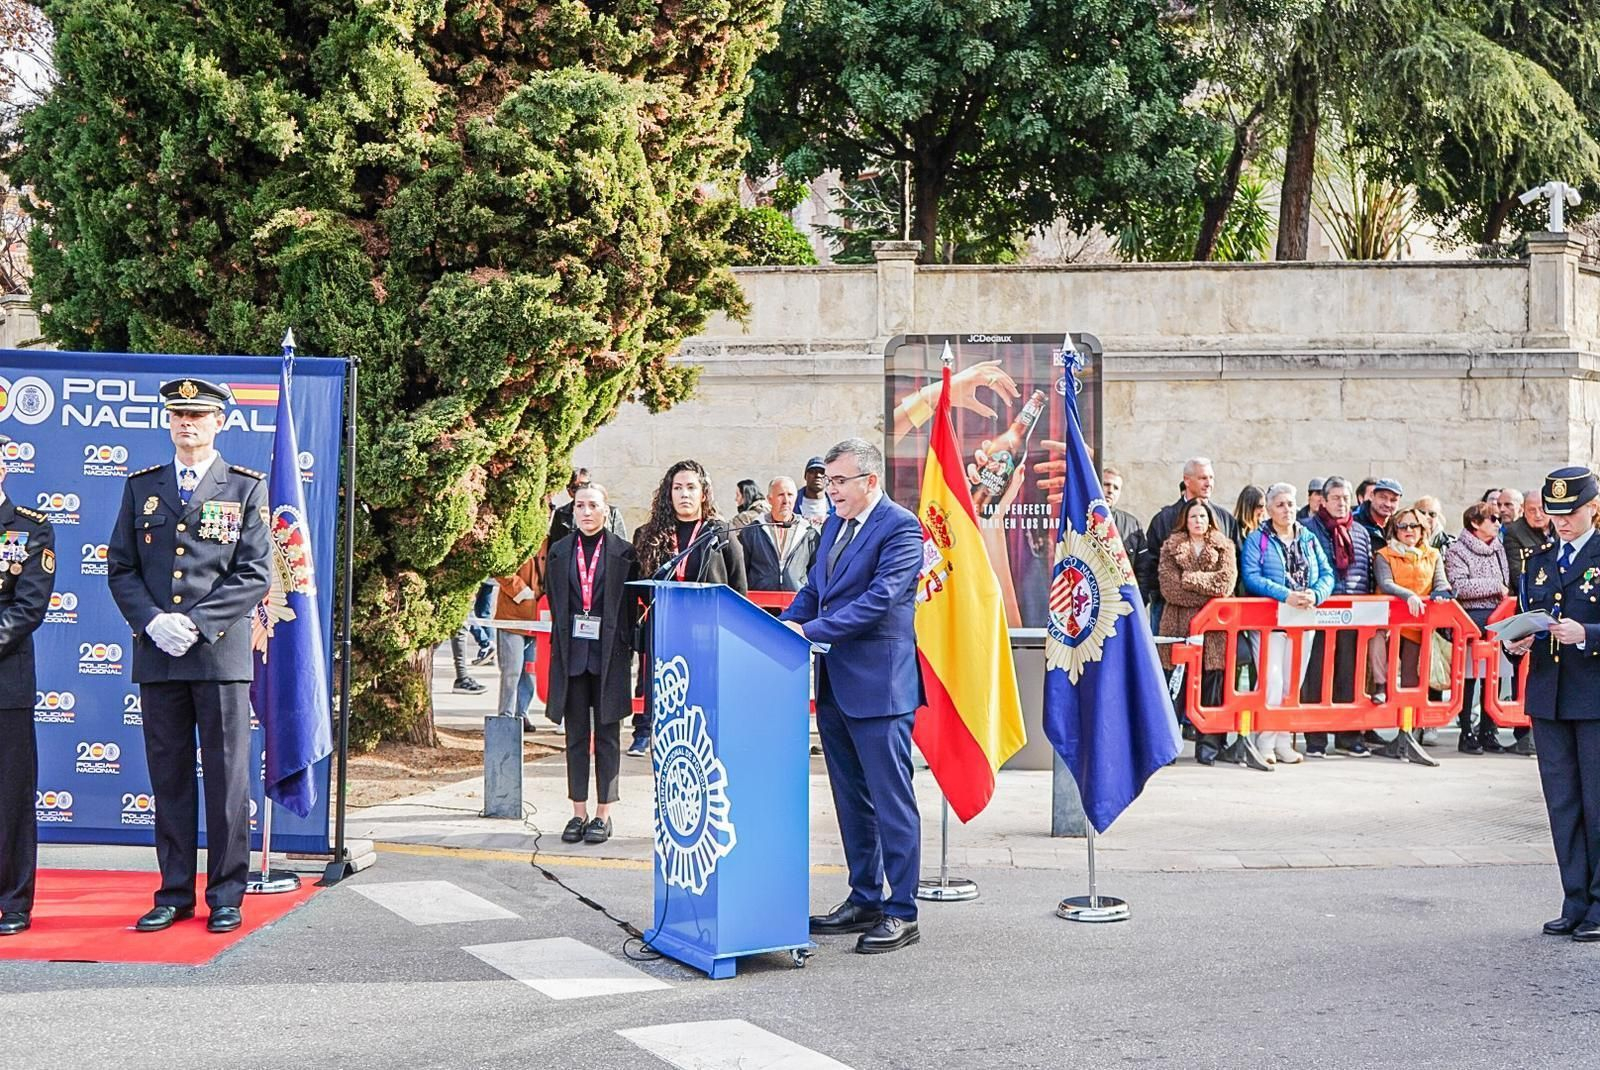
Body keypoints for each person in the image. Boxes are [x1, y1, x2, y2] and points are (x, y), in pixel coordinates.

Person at [107, 378, 271, 934]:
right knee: (170, 778)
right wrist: (153, 621)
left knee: (227, 781)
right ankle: (174, 891)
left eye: (198, 416)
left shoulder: (244, 488)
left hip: (219, 657)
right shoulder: (141, 488)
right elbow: (121, 567)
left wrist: (196, 625)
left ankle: (226, 892)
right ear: (168, 422)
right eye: (178, 415)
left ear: (219, 422)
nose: (187, 424)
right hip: (159, 656)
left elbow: (254, 573)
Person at [781, 438, 924, 955]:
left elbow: (881, 600)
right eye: (828, 479)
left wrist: (812, 629)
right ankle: (864, 896)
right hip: (836, 686)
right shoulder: (834, 526)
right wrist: (787, 623)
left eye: (839, 480)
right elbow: (815, 587)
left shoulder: (902, 529)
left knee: (891, 802)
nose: (829, 489)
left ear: (870, 481)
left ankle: (902, 910)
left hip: (881, 689)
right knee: (851, 800)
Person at [1501, 468, 1600, 941]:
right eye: (1556, 514)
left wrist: (1590, 635)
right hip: (1549, 696)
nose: (1562, 522)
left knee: (1597, 803)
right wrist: (1514, 644)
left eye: (1571, 513)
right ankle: (1575, 899)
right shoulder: (1538, 560)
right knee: (1563, 804)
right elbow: (1525, 616)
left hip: (1594, 695)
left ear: (1593, 509)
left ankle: (1599, 905)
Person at [631, 460, 747, 755]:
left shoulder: (720, 534)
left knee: (704, 712)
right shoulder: (648, 535)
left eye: (691, 487)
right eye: (678, 487)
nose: (684, 494)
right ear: (668, 494)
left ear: (704, 494)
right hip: (665, 635)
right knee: (671, 713)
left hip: (707, 638)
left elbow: (738, 591)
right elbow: (638, 587)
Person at [545, 485, 639, 845]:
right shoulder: (559, 551)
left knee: (608, 736)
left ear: (605, 510)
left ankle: (603, 814)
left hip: (608, 656)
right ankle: (577, 811)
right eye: (580, 506)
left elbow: (630, 607)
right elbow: (555, 599)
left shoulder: (623, 552)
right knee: (575, 737)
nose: (586, 512)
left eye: (593, 506)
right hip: (571, 656)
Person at [0, 434, 54, 936]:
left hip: (5, 683)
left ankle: (13, 901)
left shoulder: (31, 529)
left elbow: (27, 607)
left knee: (10, 797)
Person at [1240, 483, 1333, 765]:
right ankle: (1264, 741)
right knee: (1272, 680)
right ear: (1268, 509)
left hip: (1304, 619)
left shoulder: (1308, 537)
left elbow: (1327, 573)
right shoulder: (1258, 538)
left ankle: (1283, 740)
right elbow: (1251, 575)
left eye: (1290, 504)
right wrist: (1285, 595)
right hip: (1271, 621)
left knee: (1293, 682)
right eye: (1280, 505)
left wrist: (1315, 593)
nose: (1287, 510)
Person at [1157, 499, 1237, 765]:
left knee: (1211, 686)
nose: (1198, 521)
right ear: (1185, 520)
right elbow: (1169, 589)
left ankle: (1209, 747)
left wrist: (1190, 580)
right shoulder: (1171, 547)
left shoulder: (1224, 546)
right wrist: (1205, 592)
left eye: (1202, 516)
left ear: (1210, 519)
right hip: (1178, 625)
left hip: (1213, 629)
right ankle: (1168, 747)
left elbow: (1225, 584)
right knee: (1174, 688)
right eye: (1193, 516)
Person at [1301, 476, 1375, 757]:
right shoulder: (1308, 529)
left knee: (1351, 675)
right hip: (1320, 611)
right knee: (1316, 675)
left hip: (1354, 612)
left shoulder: (1360, 532)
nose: (1342, 503)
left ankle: (1349, 736)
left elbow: (1366, 571)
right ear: (1323, 500)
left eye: (1345, 498)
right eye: (1335, 498)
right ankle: (1315, 739)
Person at [1445, 502, 1512, 754]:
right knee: (1470, 677)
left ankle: (1489, 729)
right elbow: (1459, 586)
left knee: (1494, 675)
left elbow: (1506, 582)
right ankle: (1466, 731)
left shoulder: (1498, 549)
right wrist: (1495, 586)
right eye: (1492, 518)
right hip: (1470, 620)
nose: (1498, 522)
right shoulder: (1457, 550)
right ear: (1475, 522)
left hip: (1498, 617)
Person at [1370, 506, 1452, 711]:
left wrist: (1442, 592)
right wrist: (1409, 596)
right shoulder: (1384, 555)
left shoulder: (1432, 555)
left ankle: (1408, 728)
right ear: (1395, 530)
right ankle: (1380, 686)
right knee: (1380, 653)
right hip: (1389, 622)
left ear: (1422, 529)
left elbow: (1440, 581)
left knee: (1410, 677)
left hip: (1417, 624)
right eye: (1403, 526)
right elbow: (1386, 582)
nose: (1409, 530)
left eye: (1414, 526)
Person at [1138, 457, 1240, 616]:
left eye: (1211, 478)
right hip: (1170, 611)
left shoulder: (1225, 519)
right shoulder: (1163, 519)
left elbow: (1234, 567)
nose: (1208, 483)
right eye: (1202, 478)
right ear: (1187, 480)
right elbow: (1152, 567)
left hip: (1215, 613)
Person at [492, 548, 544, 731]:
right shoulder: (517, 536)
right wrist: (522, 592)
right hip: (513, 615)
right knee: (512, 671)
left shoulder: (551, 538)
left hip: (538, 616)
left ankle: (522, 714)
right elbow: (500, 566)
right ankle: (506, 716)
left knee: (530, 672)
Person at [739, 476, 818, 592]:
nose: (786, 501)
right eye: (781, 495)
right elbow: (741, 572)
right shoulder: (752, 531)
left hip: (797, 603)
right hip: (759, 604)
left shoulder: (809, 533)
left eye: (790, 495)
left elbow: (816, 574)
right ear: (769, 499)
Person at [547, 468, 629, 546]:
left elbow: (622, 546)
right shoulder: (561, 514)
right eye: (574, 488)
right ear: (568, 491)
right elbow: (555, 547)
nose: (580, 490)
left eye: (584, 485)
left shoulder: (611, 512)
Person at [1101, 465, 1147, 590]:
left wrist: (1138, 601)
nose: (1110, 490)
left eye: (1116, 488)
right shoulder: (1081, 518)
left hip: (1123, 601)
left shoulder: (1132, 525)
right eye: (1106, 484)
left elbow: (1143, 569)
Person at [1505, 489, 1553, 591]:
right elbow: (1518, 574)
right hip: (1534, 591)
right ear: (1523, 510)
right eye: (1532, 510)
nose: (1538, 515)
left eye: (1541, 509)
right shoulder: (1514, 532)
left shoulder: (1560, 526)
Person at [1354, 477, 1403, 548]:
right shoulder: (1354, 523)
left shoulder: (1401, 526)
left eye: (1393, 500)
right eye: (1383, 497)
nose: (1387, 504)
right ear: (1371, 496)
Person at [797, 457, 831, 526]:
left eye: (822, 472)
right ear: (805, 476)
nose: (817, 475)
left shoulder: (837, 506)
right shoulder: (792, 502)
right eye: (812, 472)